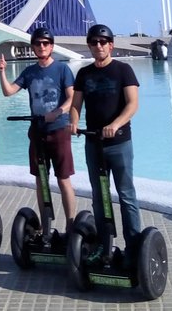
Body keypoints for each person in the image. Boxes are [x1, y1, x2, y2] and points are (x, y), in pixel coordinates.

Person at [69, 24, 141, 267]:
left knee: (126, 195)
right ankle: (104, 245)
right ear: (89, 46)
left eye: (103, 41)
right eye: (93, 42)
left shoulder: (123, 70)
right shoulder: (84, 74)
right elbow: (76, 105)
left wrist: (115, 123)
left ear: (111, 45)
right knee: (99, 198)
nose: (98, 46)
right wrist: (74, 122)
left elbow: (132, 104)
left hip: (119, 142)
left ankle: (133, 248)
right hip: (93, 144)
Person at [0, 27, 76, 231]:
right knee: (41, 179)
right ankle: (45, 224)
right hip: (38, 132)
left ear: (52, 46)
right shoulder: (30, 71)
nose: (42, 46)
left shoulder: (62, 69)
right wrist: (2, 72)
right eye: (38, 43)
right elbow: (8, 92)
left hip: (59, 130)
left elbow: (72, 97)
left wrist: (57, 112)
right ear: (33, 47)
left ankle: (71, 225)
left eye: (46, 43)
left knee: (63, 178)